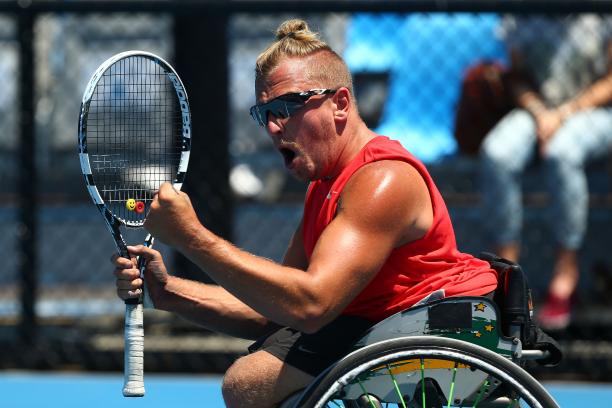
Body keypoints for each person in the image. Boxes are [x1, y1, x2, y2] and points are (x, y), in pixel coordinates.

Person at [112, 19, 498, 407]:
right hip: (384, 328)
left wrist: (191, 237)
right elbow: (277, 310)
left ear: (340, 104)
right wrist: (169, 292)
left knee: (249, 382)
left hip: (446, 333)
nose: (274, 126)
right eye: (264, 114)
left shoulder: (383, 180)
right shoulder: (325, 184)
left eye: (287, 107)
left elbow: (309, 305)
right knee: (249, 381)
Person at [479, 14, 612, 330]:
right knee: (497, 153)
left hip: (595, 111)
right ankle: (508, 276)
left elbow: (609, 81)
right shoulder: (520, 15)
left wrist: (564, 113)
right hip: (537, 109)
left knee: (562, 153)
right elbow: (516, 77)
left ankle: (566, 274)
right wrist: (541, 112)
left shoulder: (601, 13)